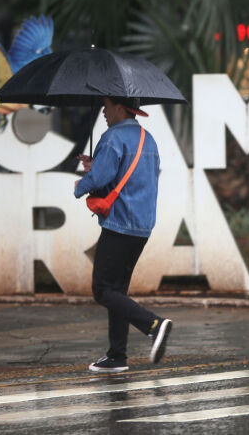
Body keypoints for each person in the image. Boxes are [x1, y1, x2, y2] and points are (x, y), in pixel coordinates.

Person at [74, 96, 173, 373]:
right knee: (116, 290)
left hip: (119, 224)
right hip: (141, 226)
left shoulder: (112, 138)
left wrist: (81, 183)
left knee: (102, 288)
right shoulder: (148, 139)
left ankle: (153, 324)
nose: (103, 112)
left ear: (119, 107)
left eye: (106, 106)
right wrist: (97, 167)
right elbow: (132, 178)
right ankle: (117, 355)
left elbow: (100, 180)